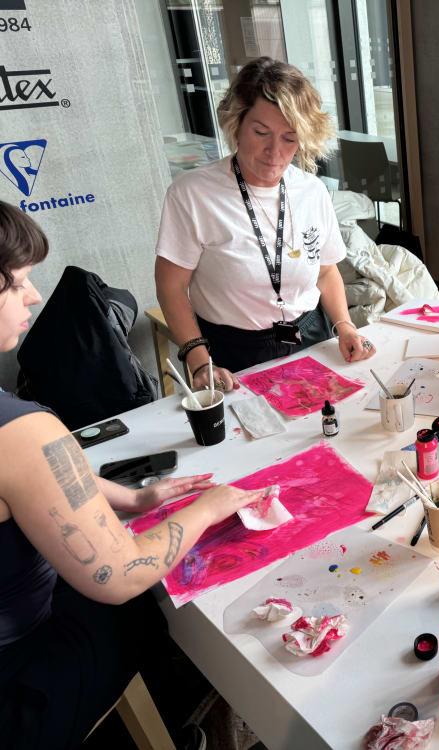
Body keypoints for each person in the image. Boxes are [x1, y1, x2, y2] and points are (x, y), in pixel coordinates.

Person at [0, 201, 264, 748]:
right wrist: (208, 508)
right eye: (18, 283)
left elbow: (37, 476)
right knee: (146, 613)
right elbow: (116, 575)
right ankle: (179, 724)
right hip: (15, 685)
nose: (32, 296)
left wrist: (133, 499)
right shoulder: (23, 432)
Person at [155, 57, 375, 392]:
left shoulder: (311, 191)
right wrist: (198, 360)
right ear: (236, 124)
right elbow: (171, 287)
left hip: (311, 335)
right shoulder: (193, 194)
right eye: (261, 133)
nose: (275, 151)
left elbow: (326, 272)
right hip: (231, 352)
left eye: (290, 138)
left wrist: (344, 325)